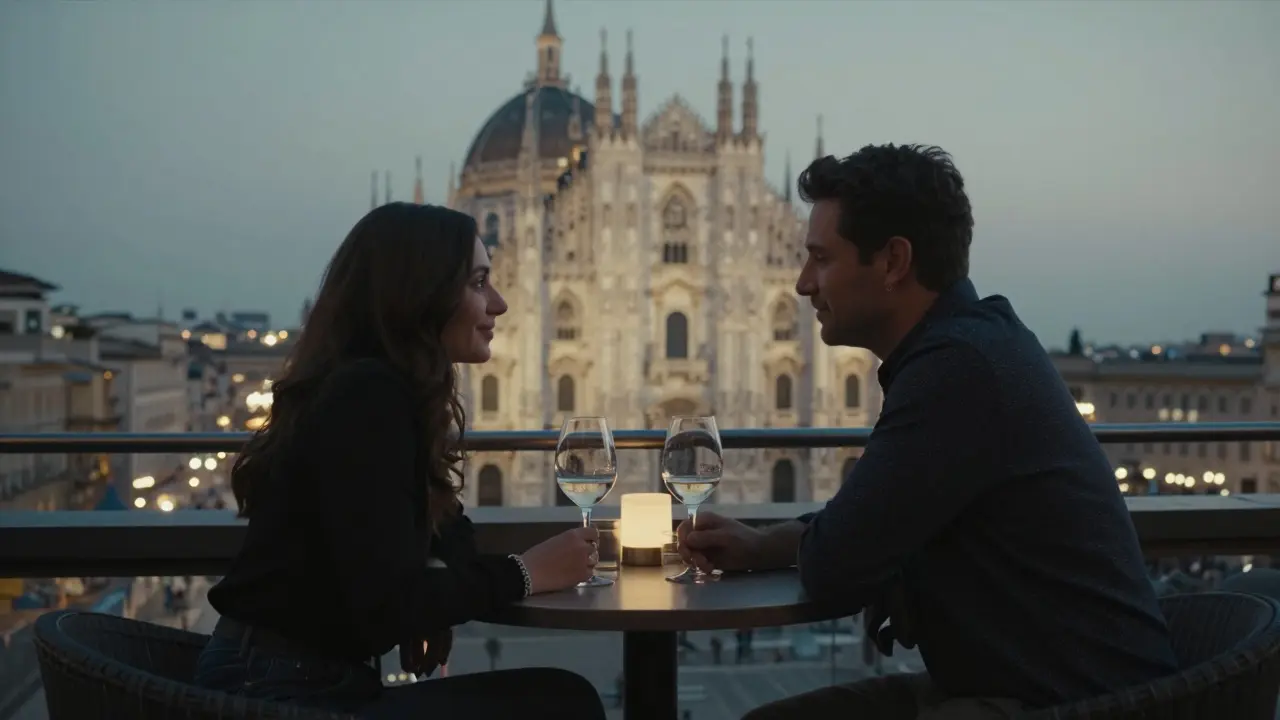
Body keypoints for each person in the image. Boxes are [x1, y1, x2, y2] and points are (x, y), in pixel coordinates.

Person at [678, 145, 1177, 719]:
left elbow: (838, 561)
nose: (801, 284)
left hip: (1072, 704)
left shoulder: (957, 372)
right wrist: (764, 544)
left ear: (893, 262)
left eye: (820, 258)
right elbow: (873, 518)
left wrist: (789, 546)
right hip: (1038, 685)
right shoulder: (974, 344)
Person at [195, 203, 607, 719]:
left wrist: (431, 608)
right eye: (479, 283)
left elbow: (441, 532)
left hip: (290, 678)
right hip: (278, 693)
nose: (499, 304)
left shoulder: (378, 390)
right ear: (422, 294)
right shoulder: (368, 397)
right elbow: (383, 605)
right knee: (562, 703)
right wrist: (525, 573)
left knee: (557, 698)